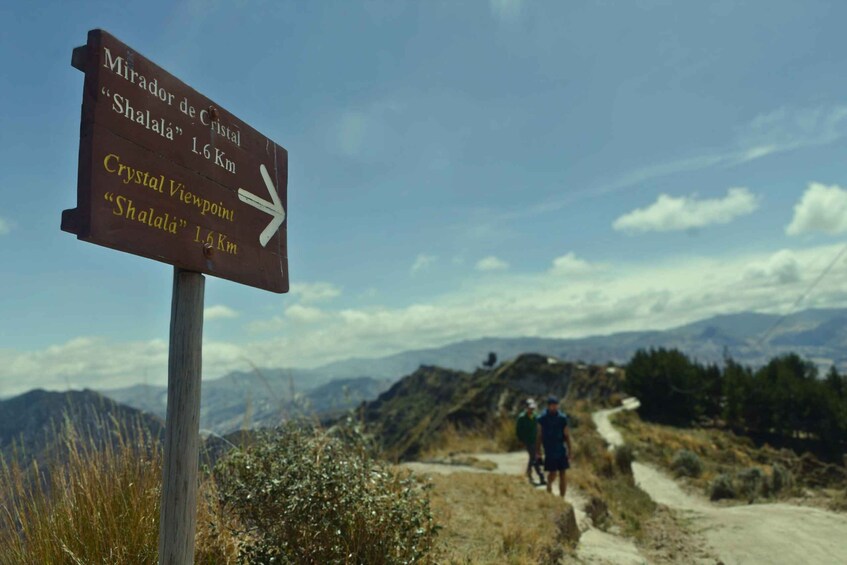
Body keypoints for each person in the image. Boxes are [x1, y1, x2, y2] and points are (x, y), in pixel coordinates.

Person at [535, 395, 572, 497]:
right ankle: (549, 483)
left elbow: (567, 435)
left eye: (555, 405)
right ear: (548, 406)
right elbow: (539, 435)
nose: (554, 407)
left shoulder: (562, 418)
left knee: (563, 473)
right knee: (553, 473)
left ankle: (562, 497)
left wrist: (570, 451)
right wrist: (538, 451)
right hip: (549, 450)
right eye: (552, 405)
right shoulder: (542, 419)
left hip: (560, 449)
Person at [515, 398, 545, 485]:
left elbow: (538, 428)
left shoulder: (535, 417)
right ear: (526, 408)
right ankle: (541, 476)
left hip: (535, 440)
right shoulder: (521, 418)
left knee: (533, 458)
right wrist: (521, 440)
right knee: (534, 457)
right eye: (530, 408)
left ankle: (528, 473)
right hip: (528, 441)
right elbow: (518, 431)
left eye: (533, 409)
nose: (531, 410)